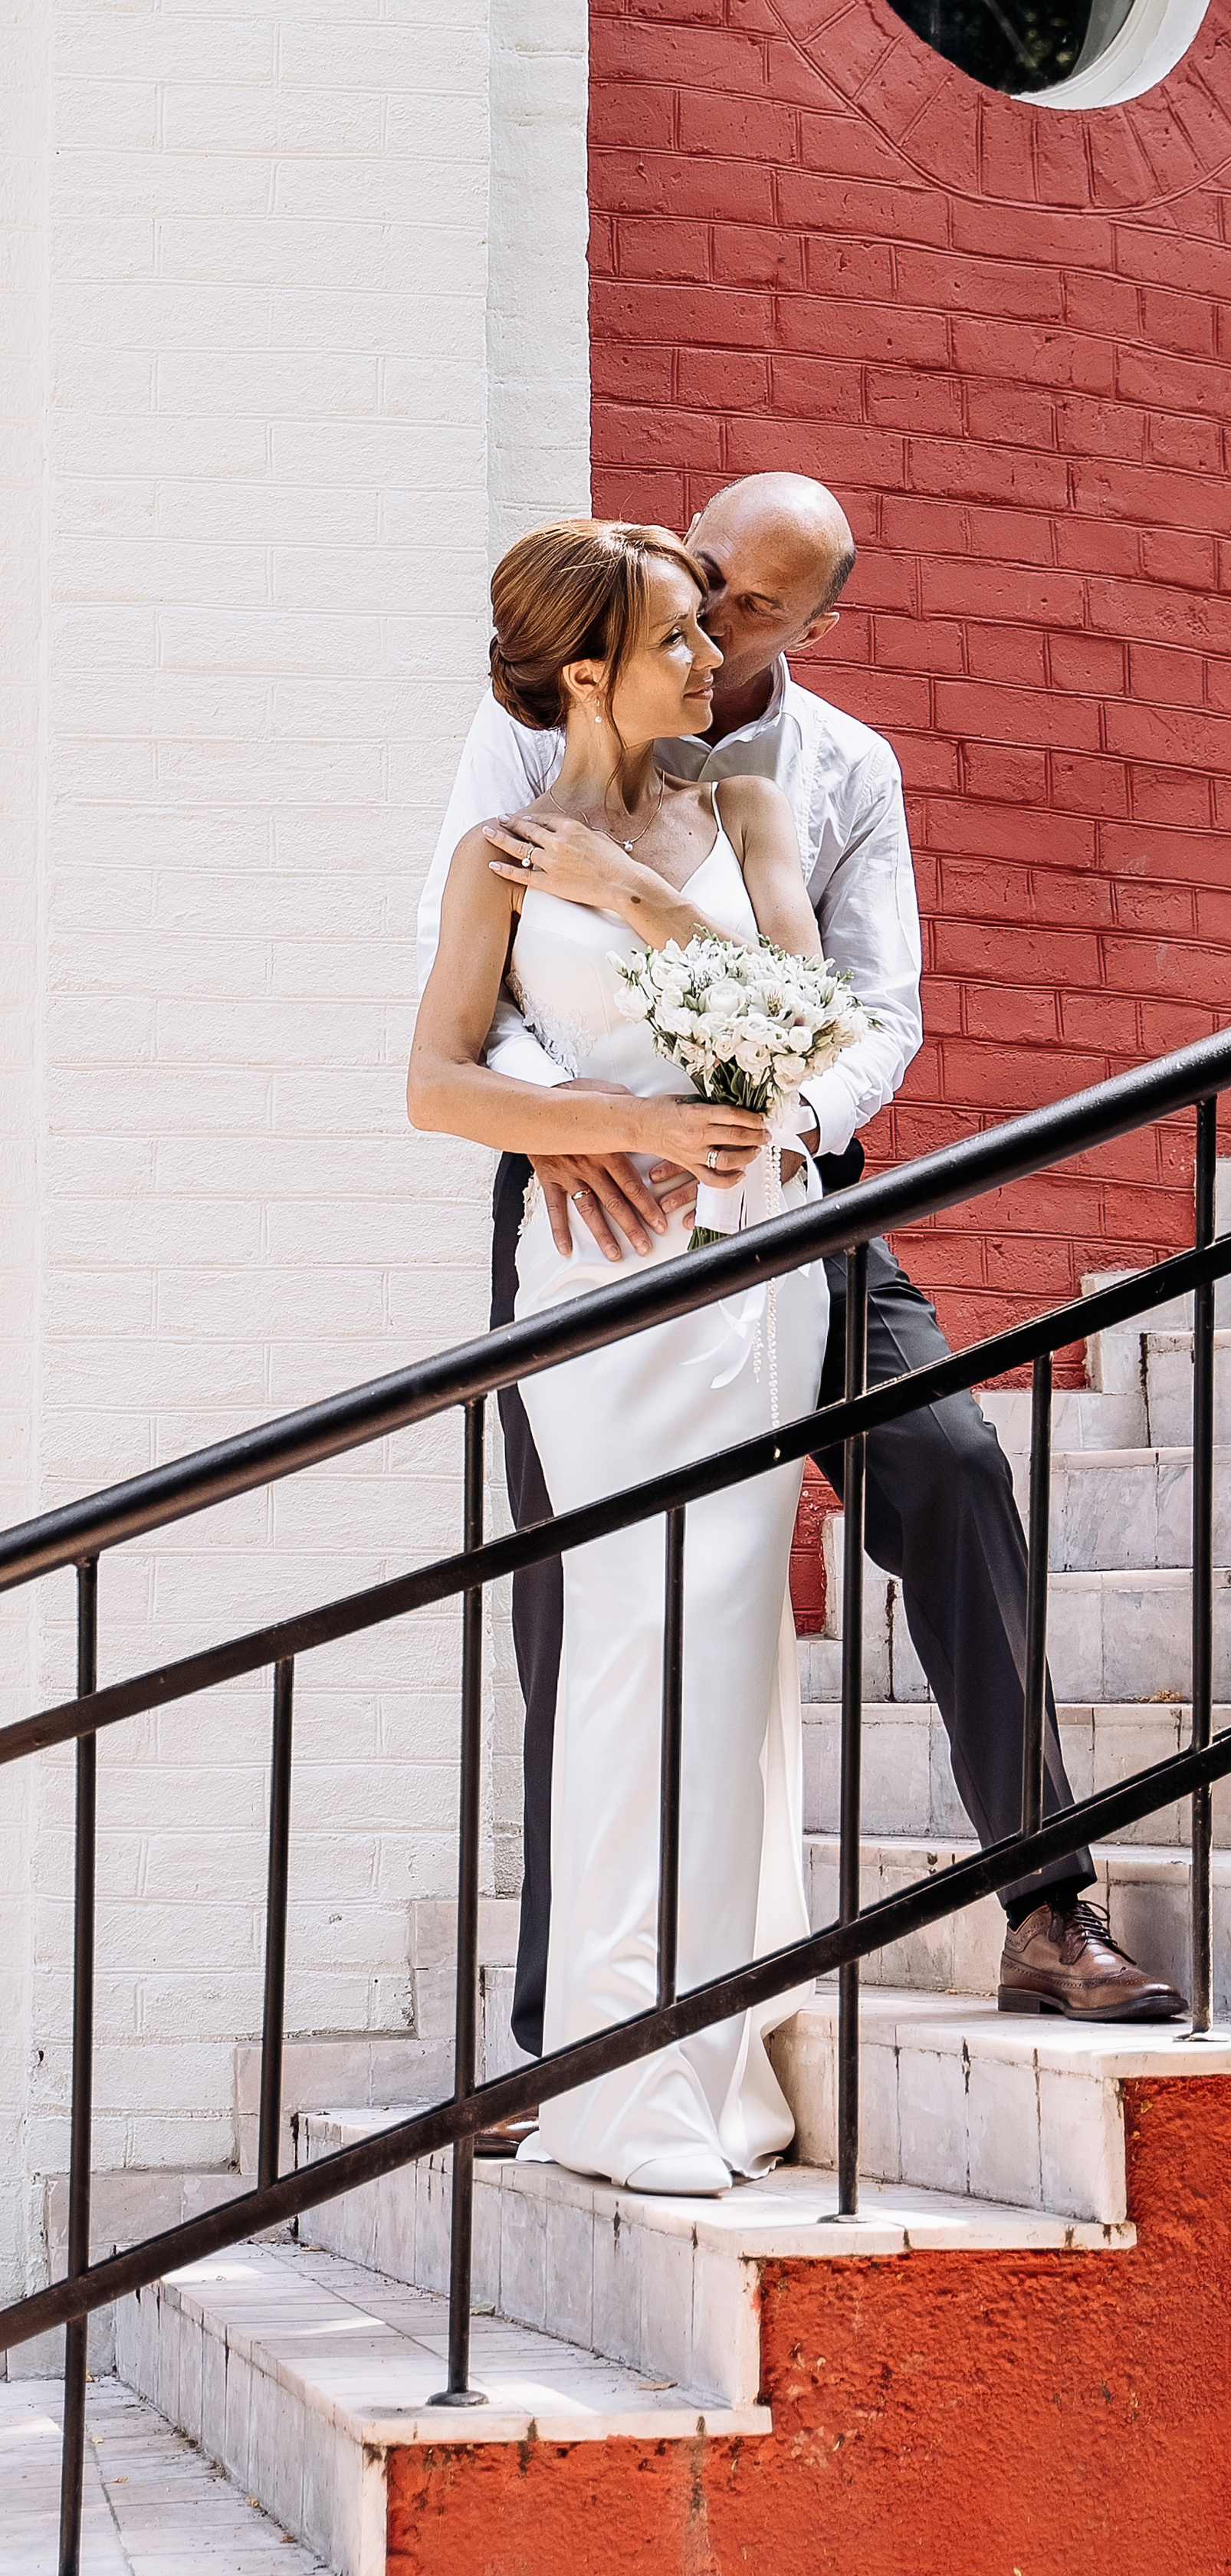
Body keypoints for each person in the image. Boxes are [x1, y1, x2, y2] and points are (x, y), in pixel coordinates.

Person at [415, 475, 1181, 2091]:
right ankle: (559, 2028)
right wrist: (584, 1123)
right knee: (578, 1593)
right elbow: (471, 965)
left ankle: (1046, 1903)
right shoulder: (545, 712)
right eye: (704, 586)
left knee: (952, 1467)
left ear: (815, 626)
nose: (716, 623)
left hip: (792, 1194)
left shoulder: (833, 773)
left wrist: (773, 1135)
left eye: (754, 608)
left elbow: (872, 1010)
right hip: (585, 1197)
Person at [409, 518, 831, 2194]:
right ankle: (609, 2072)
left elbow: (807, 1028)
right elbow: (437, 1084)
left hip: (746, 1268)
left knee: (721, 1645)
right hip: (592, 1283)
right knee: (613, 1648)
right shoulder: (496, 856)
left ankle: (705, 2069)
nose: (709, 661)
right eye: (674, 639)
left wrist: (637, 901)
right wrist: (616, 1122)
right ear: (584, 673)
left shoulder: (748, 813)